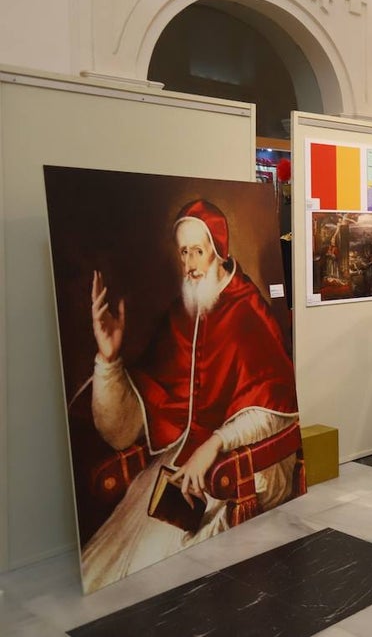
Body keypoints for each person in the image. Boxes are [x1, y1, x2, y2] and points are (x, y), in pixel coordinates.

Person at [81, 199, 300, 590]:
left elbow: (274, 408)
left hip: (236, 464)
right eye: (183, 253)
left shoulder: (249, 312)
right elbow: (128, 425)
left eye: (197, 251)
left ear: (218, 251)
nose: (189, 264)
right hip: (177, 460)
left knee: (172, 572)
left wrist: (215, 444)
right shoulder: (181, 314)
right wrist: (109, 360)